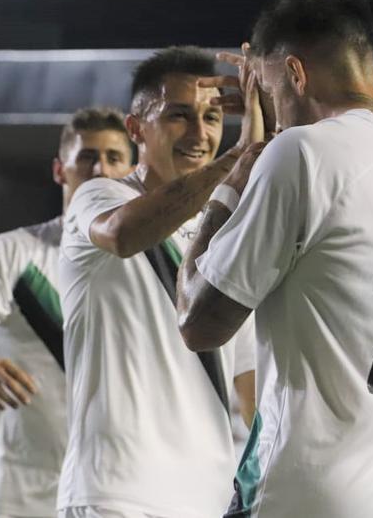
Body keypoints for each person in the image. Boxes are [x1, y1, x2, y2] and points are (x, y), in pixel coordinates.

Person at [176, 0, 373, 517]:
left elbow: (197, 319)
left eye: (267, 91)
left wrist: (239, 169)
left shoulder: (300, 153)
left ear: (295, 72)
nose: (270, 107)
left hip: (311, 494)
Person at [58, 46, 261, 518]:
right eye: (179, 116)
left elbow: (247, 379)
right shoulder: (101, 197)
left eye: (212, 117)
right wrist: (238, 159)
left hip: (207, 499)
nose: (200, 133)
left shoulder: (226, 231)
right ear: (136, 129)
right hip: (115, 495)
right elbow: (124, 234)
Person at [0, 107, 135, 518]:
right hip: (25, 492)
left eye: (114, 158)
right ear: (60, 171)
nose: (101, 170)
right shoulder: (13, 252)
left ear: (132, 170)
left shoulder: (149, 261)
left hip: (117, 488)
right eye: (88, 157)